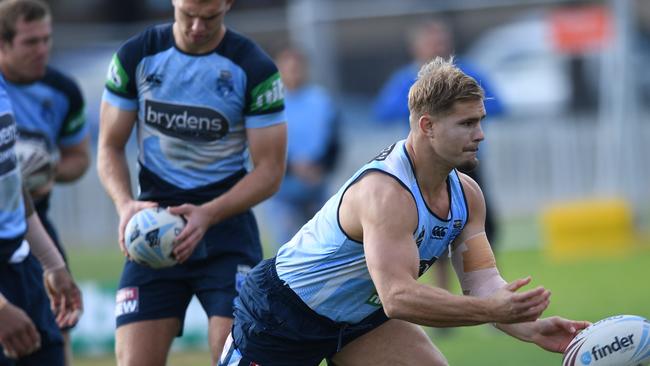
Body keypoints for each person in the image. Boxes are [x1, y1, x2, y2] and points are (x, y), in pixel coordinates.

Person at [219, 57, 589, 366]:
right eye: (467, 123)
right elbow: (398, 296)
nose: (480, 135)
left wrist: (531, 327)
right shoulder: (387, 194)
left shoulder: (468, 194)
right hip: (283, 316)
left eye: (480, 121)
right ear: (427, 125)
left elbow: (482, 284)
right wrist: (493, 311)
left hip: (360, 319)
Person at [97, 0, 287, 364]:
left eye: (210, 17)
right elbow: (108, 146)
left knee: (235, 359)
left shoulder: (255, 68)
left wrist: (208, 214)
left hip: (226, 232)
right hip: (152, 229)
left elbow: (270, 172)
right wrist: (125, 205)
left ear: (228, 5)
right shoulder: (137, 55)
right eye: (189, 15)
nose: (197, 27)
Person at [374, 20, 504, 297]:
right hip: (424, 169)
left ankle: (494, 295)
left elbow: (500, 103)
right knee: (432, 236)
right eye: (432, 42)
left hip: (466, 167)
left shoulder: (468, 73)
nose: (439, 47)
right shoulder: (386, 191)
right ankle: (445, 294)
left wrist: (502, 307)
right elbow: (382, 112)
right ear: (426, 125)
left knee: (480, 230)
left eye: (442, 41)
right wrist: (423, 104)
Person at [0, 1, 89, 363]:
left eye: (46, 40)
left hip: (24, 246)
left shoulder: (15, 96)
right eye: (30, 42)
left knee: (52, 347)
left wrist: (52, 263)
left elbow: (12, 188)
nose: (42, 50)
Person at [263, 47, 340, 249]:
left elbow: (335, 141)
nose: (293, 72)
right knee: (288, 250)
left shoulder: (321, 100)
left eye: (297, 68)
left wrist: (320, 167)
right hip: (283, 189)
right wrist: (292, 167)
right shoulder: (269, 104)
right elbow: (262, 147)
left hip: (315, 186)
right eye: (288, 68)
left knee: (323, 248)